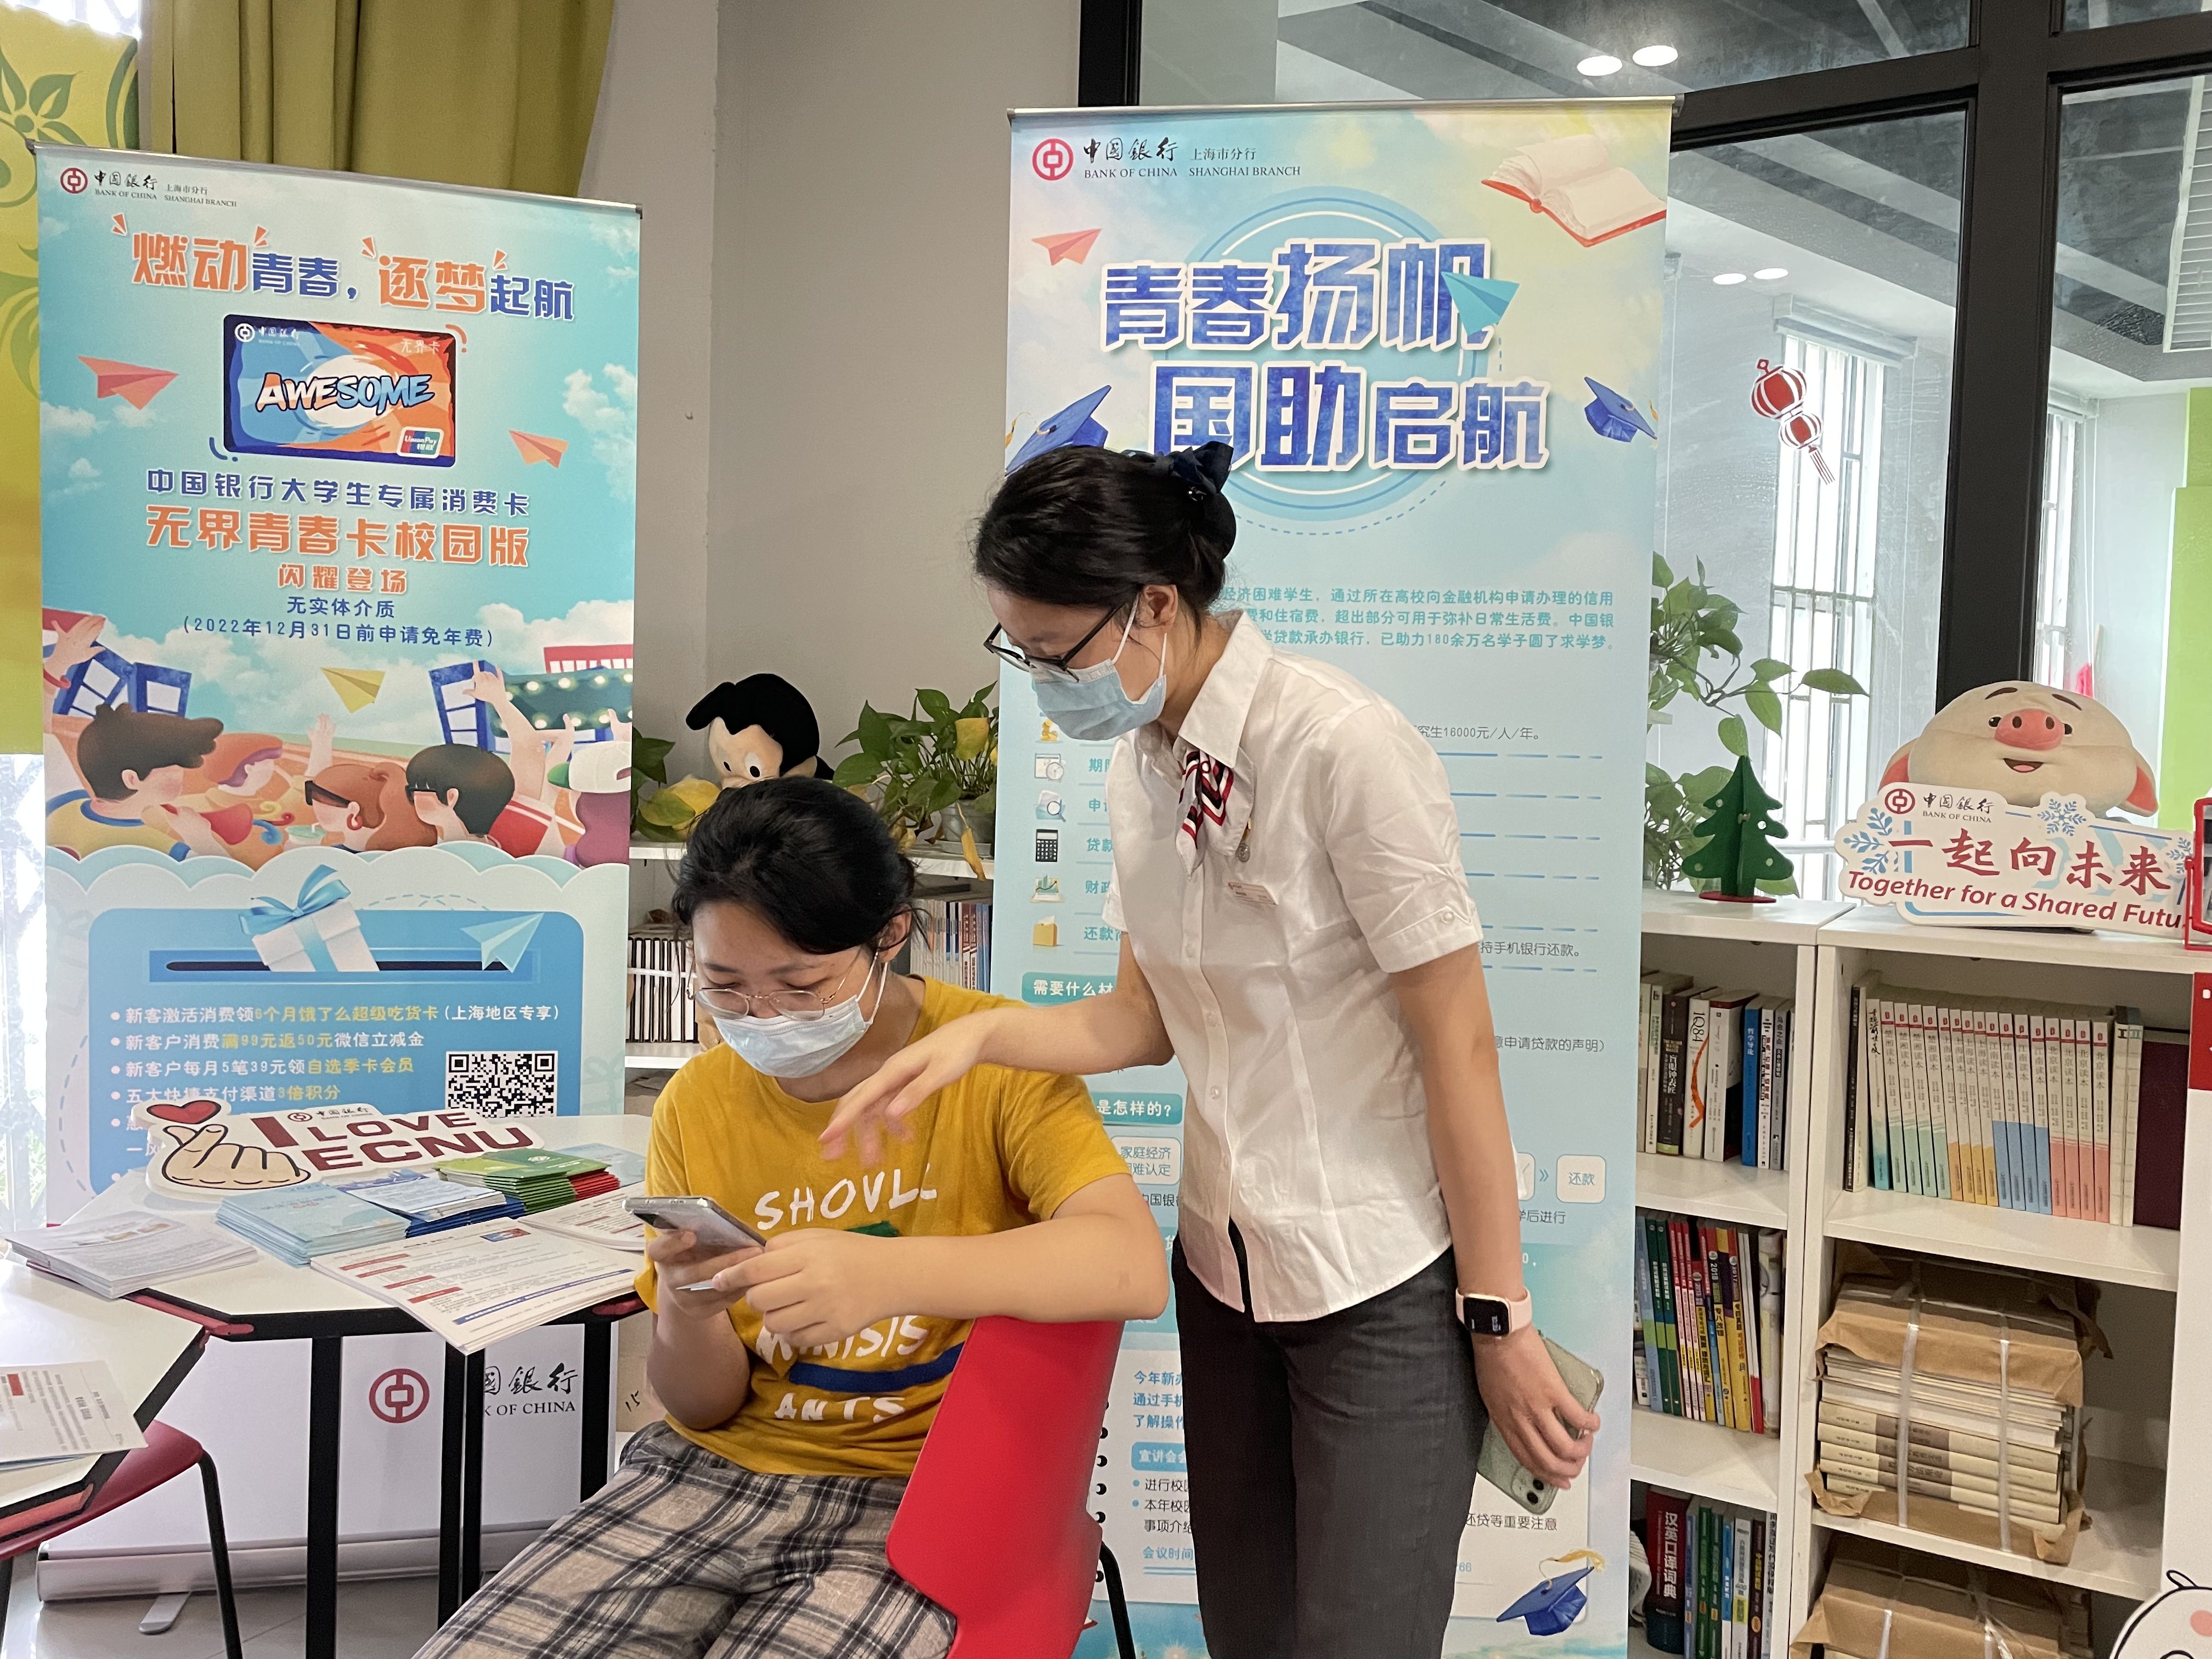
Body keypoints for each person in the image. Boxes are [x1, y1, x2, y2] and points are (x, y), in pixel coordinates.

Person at [827, 442, 1600, 1659]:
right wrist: (970, 1037)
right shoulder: (1143, 768)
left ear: (1154, 605)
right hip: (1225, 1277)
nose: (1042, 683)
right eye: (1018, 652)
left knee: (1361, 1642)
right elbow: (1141, 1020)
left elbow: (1459, 1048)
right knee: (1251, 1630)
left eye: (1055, 652)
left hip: (1379, 1285)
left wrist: (1497, 1320)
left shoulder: (1343, 746)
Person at [417, 778, 1166, 1659]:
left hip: (919, 1494)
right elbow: (701, 1409)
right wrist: (689, 1309)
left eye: (802, 985)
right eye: (724, 986)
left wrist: (887, 1275)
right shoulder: (699, 1100)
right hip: (704, 1477)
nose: (762, 1018)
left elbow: (1130, 1266)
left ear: (889, 934)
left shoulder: (990, 1055)